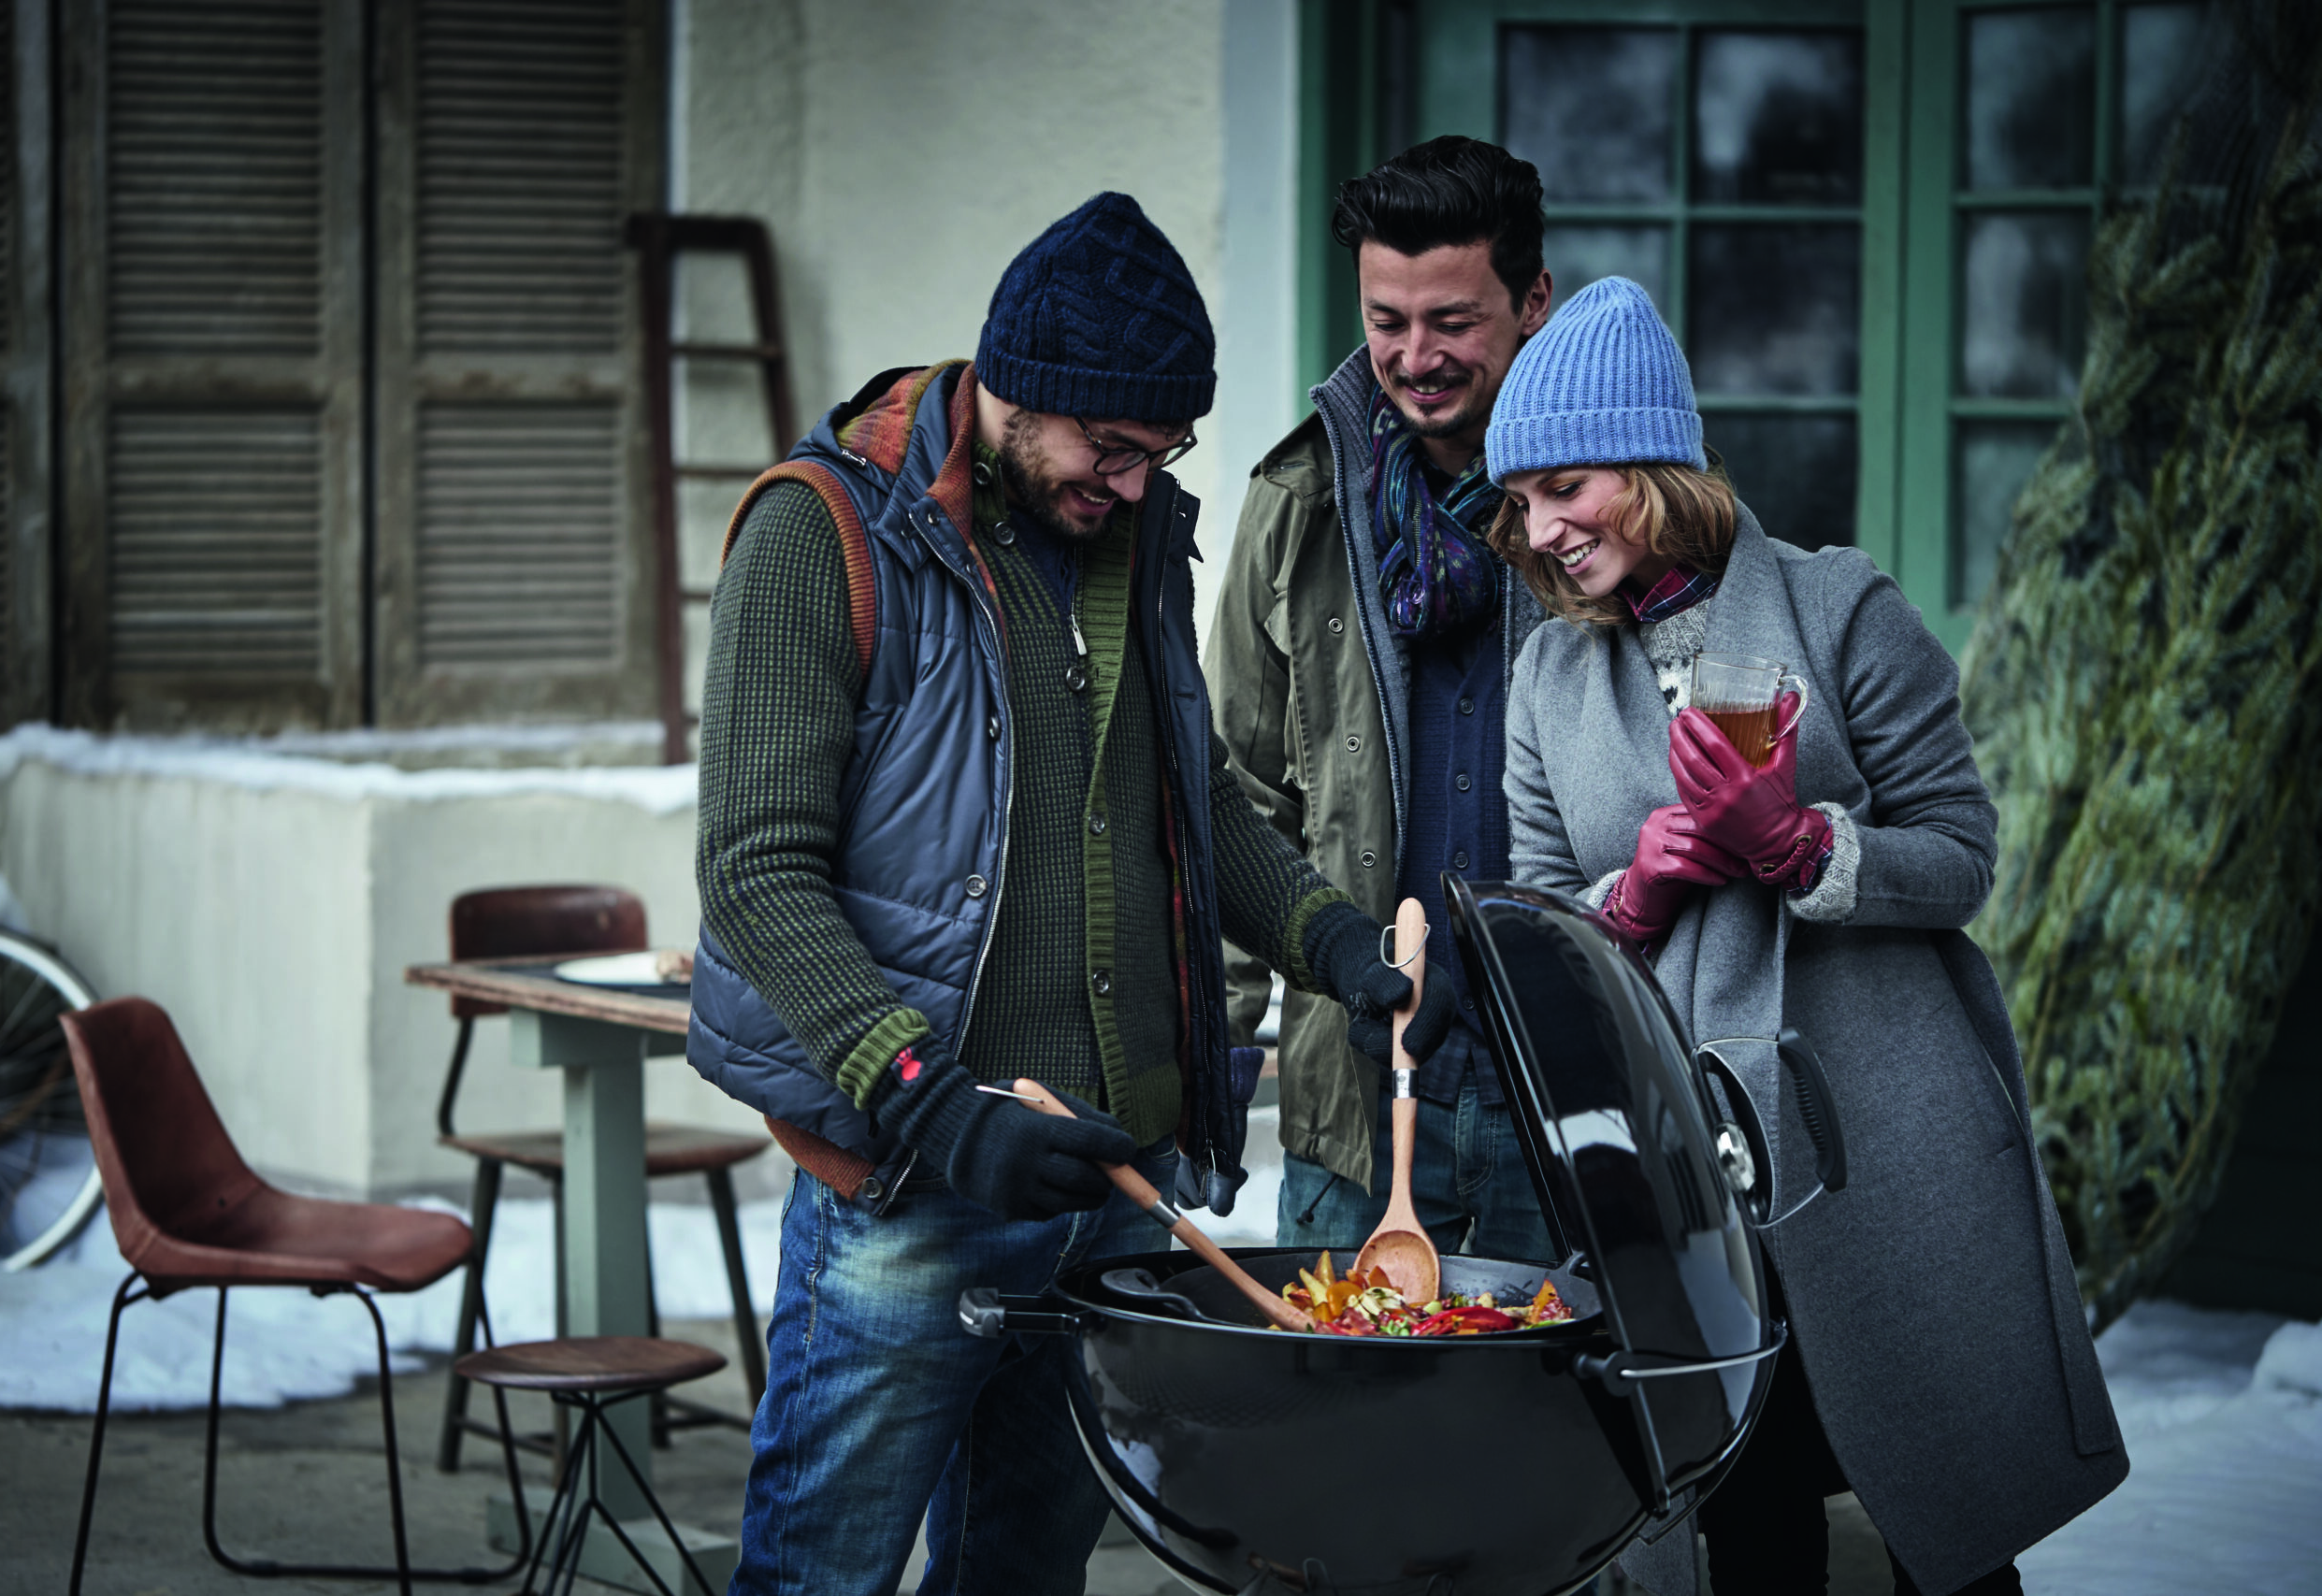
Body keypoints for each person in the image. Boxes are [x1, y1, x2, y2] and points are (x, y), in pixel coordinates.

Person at [685, 193, 1454, 1596]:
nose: (1135, 480)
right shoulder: (820, 537)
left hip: (1114, 1193)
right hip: (911, 1185)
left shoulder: (1134, 536)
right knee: (820, 1580)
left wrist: (1330, 935)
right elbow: (754, 873)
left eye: (1161, 452)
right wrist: (920, 1092)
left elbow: (1198, 794)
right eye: (1110, 447)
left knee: (1027, 1571)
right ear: (1013, 388)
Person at [1485, 277, 2127, 1596]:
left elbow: (1962, 856)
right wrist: (1642, 891)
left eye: (1570, 486)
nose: (1542, 531)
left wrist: (1803, 846)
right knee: (1749, 1508)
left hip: (1888, 1142)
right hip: (1694, 1168)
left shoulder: (1843, 611)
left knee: (1946, 1521)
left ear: (1659, 467)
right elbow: (1546, 920)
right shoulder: (1549, 675)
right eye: (1523, 501)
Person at [1207, 137, 1557, 1261]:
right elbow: (1233, 801)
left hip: (1567, 1103)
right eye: (1385, 320)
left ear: (1532, 302)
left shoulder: (1612, 508)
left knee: (1557, 1435)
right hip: (1349, 1111)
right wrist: (1217, 1062)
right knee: (1343, 1435)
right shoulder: (1294, 501)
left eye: (1451, 320)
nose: (1415, 356)